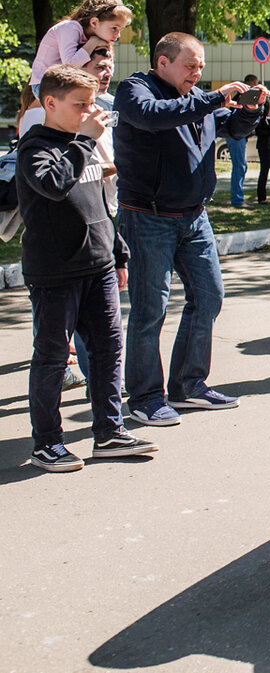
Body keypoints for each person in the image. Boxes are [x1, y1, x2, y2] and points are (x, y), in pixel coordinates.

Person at [114, 32, 264, 427]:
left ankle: (188, 385)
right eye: (190, 64)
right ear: (163, 62)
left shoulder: (196, 100)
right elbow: (153, 117)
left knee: (209, 297)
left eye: (200, 65)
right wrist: (214, 97)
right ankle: (145, 396)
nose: (197, 72)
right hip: (148, 216)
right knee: (151, 310)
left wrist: (249, 110)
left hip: (193, 217)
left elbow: (231, 127)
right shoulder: (135, 89)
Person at [15, 64, 157, 471]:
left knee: (109, 350)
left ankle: (109, 432)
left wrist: (118, 253)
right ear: (50, 103)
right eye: (81, 105)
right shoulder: (35, 145)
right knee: (53, 357)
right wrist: (84, 141)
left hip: (98, 266)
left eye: (92, 103)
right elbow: (56, 185)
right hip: (55, 272)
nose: (90, 112)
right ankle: (47, 443)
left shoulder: (84, 142)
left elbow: (98, 207)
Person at [30, 0, 132, 93]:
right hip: (44, 86)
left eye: (120, 29)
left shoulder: (101, 37)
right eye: (114, 28)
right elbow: (69, 67)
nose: (118, 35)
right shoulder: (70, 28)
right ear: (94, 23)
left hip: (70, 85)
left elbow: (110, 67)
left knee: (111, 104)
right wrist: (93, 43)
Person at [225, 73, 261, 206]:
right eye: (256, 84)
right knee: (240, 166)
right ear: (251, 84)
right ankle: (237, 199)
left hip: (238, 136)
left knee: (241, 166)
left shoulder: (240, 96)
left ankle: (238, 197)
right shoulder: (244, 97)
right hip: (236, 136)